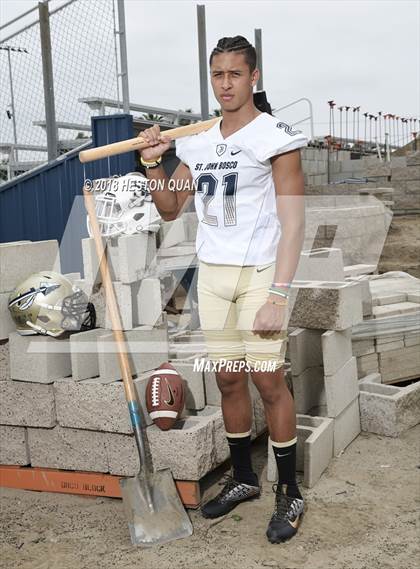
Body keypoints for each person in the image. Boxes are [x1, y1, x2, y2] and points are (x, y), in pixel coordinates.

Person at [138, 35, 308, 544]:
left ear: (254, 77)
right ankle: (244, 479)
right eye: (218, 75)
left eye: (235, 74)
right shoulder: (197, 138)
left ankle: (290, 491)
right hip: (212, 273)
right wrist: (152, 162)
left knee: (268, 382)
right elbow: (170, 208)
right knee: (229, 381)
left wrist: (279, 293)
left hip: (259, 275)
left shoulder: (276, 135)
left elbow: (294, 221)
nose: (226, 84)